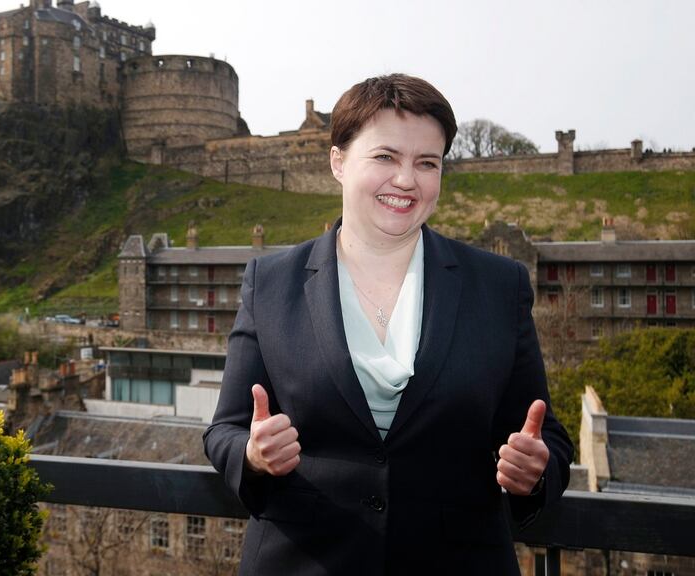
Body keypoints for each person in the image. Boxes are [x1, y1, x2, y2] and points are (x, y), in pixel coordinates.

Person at [202, 74, 573, 575]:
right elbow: (223, 430)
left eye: (427, 163)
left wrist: (537, 467)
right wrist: (251, 454)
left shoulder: (499, 285)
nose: (406, 179)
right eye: (385, 157)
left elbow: (544, 434)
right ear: (338, 161)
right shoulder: (269, 283)